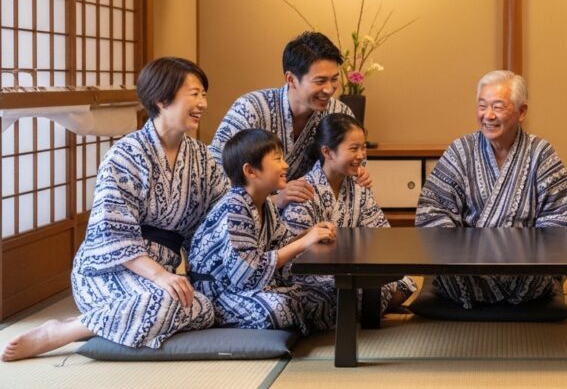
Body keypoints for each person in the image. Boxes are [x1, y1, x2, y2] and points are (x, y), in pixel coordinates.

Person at [2, 57, 230, 361]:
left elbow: (220, 216)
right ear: (162, 99)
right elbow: (113, 235)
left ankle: (102, 321)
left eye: (204, 94)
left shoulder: (203, 159)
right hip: (110, 270)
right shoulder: (125, 155)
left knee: (204, 307)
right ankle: (63, 331)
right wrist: (161, 277)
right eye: (194, 94)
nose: (203, 103)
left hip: (163, 277)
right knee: (166, 302)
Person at [416, 70, 567, 308]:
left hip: (525, 274)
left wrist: (523, 255)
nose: (488, 115)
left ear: (522, 112)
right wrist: (461, 254)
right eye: (482, 106)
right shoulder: (461, 151)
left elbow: (559, 217)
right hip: (465, 272)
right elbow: (432, 209)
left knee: (540, 274)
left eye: (498, 107)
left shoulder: (542, 154)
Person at [188, 128, 337, 334]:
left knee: (327, 292)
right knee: (280, 308)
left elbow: (282, 245)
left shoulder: (265, 203)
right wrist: (303, 242)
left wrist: (312, 234)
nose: (285, 165)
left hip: (251, 288)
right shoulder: (235, 207)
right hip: (220, 293)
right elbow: (246, 274)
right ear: (251, 171)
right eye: (277, 159)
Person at [209, 31, 369, 210]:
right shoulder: (250, 108)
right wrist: (274, 200)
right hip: (250, 217)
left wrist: (358, 175)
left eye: (334, 80)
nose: (329, 89)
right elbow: (215, 175)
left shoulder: (339, 112)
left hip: (313, 217)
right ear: (291, 79)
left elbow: (355, 165)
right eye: (320, 81)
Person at [280, 113, 417, 313]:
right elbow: (292, 258)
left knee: (404, 283)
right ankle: (361, 308)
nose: (361, 155)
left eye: (363, 148)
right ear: (327, 152)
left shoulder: (358, 186)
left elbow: (382, 233)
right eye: (353, 149)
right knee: (349, 292)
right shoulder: (304, 190)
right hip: (313, 276)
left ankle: (357, 308)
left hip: (354, 267)